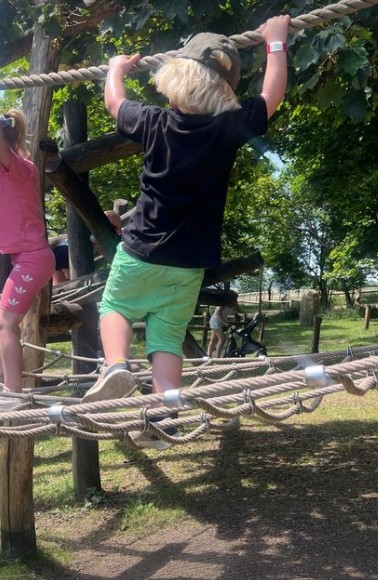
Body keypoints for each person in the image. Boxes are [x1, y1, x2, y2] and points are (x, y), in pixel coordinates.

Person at [83, 15, 291, 450]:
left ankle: (117, 365)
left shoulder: (155, 122)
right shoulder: (228, 129)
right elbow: (272, 96)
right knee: (166, 339)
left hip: (140, 251)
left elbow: (114, 103)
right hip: (189, 264)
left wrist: (116, 69)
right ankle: (165, 418)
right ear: (224, 92)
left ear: (174, 78)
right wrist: (275, 43)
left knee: (116, 307)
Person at [0, 110, 56, 409]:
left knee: (6, 325)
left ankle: (13, 394)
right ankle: (8, 387)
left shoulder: (19, 167)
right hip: (20, 257)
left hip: (32, 258)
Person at [51, 210, 123, 285]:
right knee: (75, 284)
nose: (119, 232)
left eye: (119, 227)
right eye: (114, 227)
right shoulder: (64, 251)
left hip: (60, 256)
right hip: (65, 256)